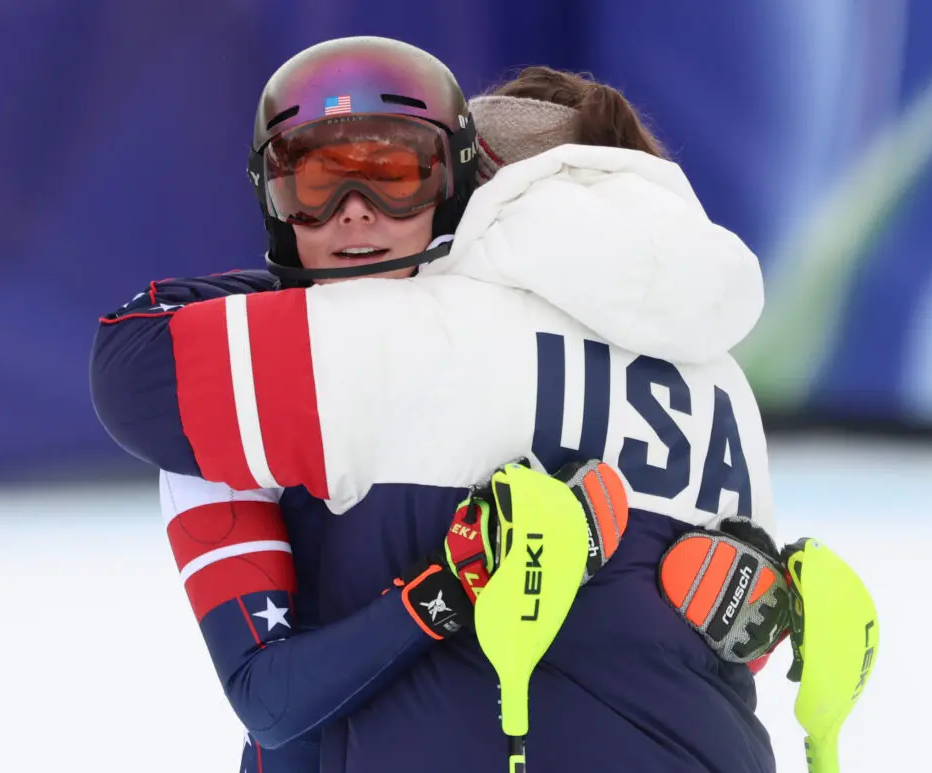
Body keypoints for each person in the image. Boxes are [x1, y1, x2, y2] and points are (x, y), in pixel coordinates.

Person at [90, 36, 778, 773]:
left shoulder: (398, 337)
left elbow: (134, 362)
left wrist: (442, 592)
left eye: (396, 172)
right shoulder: (722, 381)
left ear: (468, 192)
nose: (358, 212)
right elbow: (712, 640)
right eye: (320, 179)